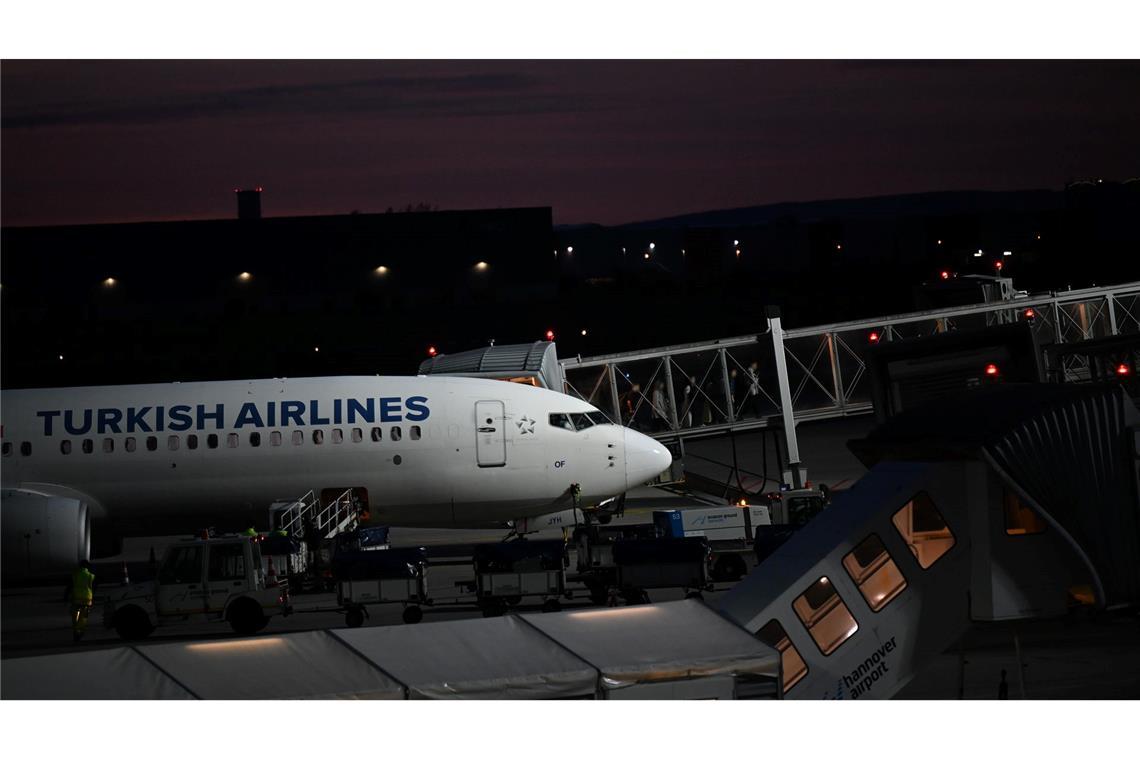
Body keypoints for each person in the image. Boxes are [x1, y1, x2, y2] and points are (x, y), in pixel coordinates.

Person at [70, 560, 96, 642]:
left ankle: (76, 630)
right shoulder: (90, 576)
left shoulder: (75, 575)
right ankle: (80, 631)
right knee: (84, 616)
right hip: (86, 599)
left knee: (75, 616)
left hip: (76, 598)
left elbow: (70, 586)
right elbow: (93, 587)